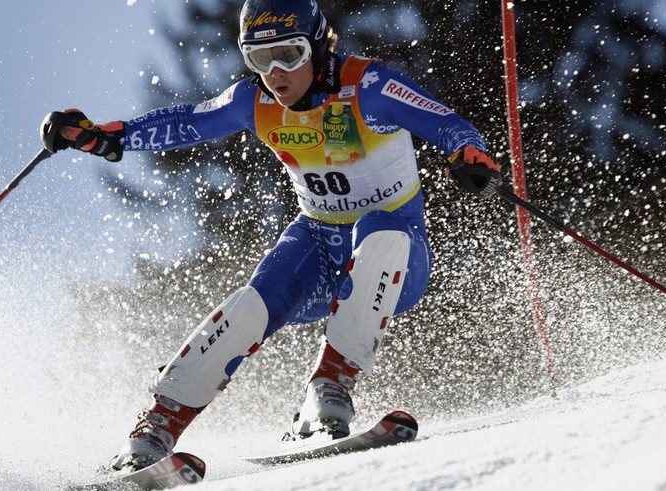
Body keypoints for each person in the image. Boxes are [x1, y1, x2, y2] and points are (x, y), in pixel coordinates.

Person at [41, 0, 501, 472]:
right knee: (250, 307)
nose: (276, 73)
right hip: (320, 245)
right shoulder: (254, 101)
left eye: (290, 54)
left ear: (319, 48)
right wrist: (104, 136)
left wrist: (468, 154)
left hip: (397, 258)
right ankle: (154, 429)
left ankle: (329, 392)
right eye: (260, 59)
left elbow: (448, 123)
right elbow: (188, 121)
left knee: (378, 233)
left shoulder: (367, 86)